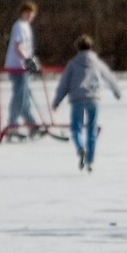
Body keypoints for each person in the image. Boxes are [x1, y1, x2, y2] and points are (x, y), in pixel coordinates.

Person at [51, 34, 121, 171]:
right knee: (91, 130)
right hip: (93, 99)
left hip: (77, 99)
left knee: (76, 128)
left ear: (77, 48)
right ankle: (90, 161)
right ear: (91, 47)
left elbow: (64, 84)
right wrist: (116, 91)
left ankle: (80, 148)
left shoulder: (72, 63)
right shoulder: (97, 63)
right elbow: (109, 77)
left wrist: (57, 101)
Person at [3, 0, 42, 140]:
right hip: (16, 66)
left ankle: (32, 125)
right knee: (19, 97)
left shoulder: (26, 26)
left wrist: (32, 61)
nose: (30, 16)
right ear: (22, 13)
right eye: (27, 13)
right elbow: (18, 47)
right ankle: (12, 126)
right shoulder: (19, 26)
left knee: (25, 97)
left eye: (32, 14)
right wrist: (27, 60)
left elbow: (26, 48)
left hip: (23, 67)